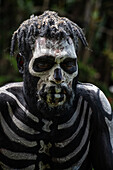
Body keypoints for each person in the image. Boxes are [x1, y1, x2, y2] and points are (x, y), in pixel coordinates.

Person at [0, 10, 113, 170]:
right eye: (45, 64)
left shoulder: (91, 104)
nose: (58, 77)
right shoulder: (4, 106)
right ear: (22, 64)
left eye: (68, 65)